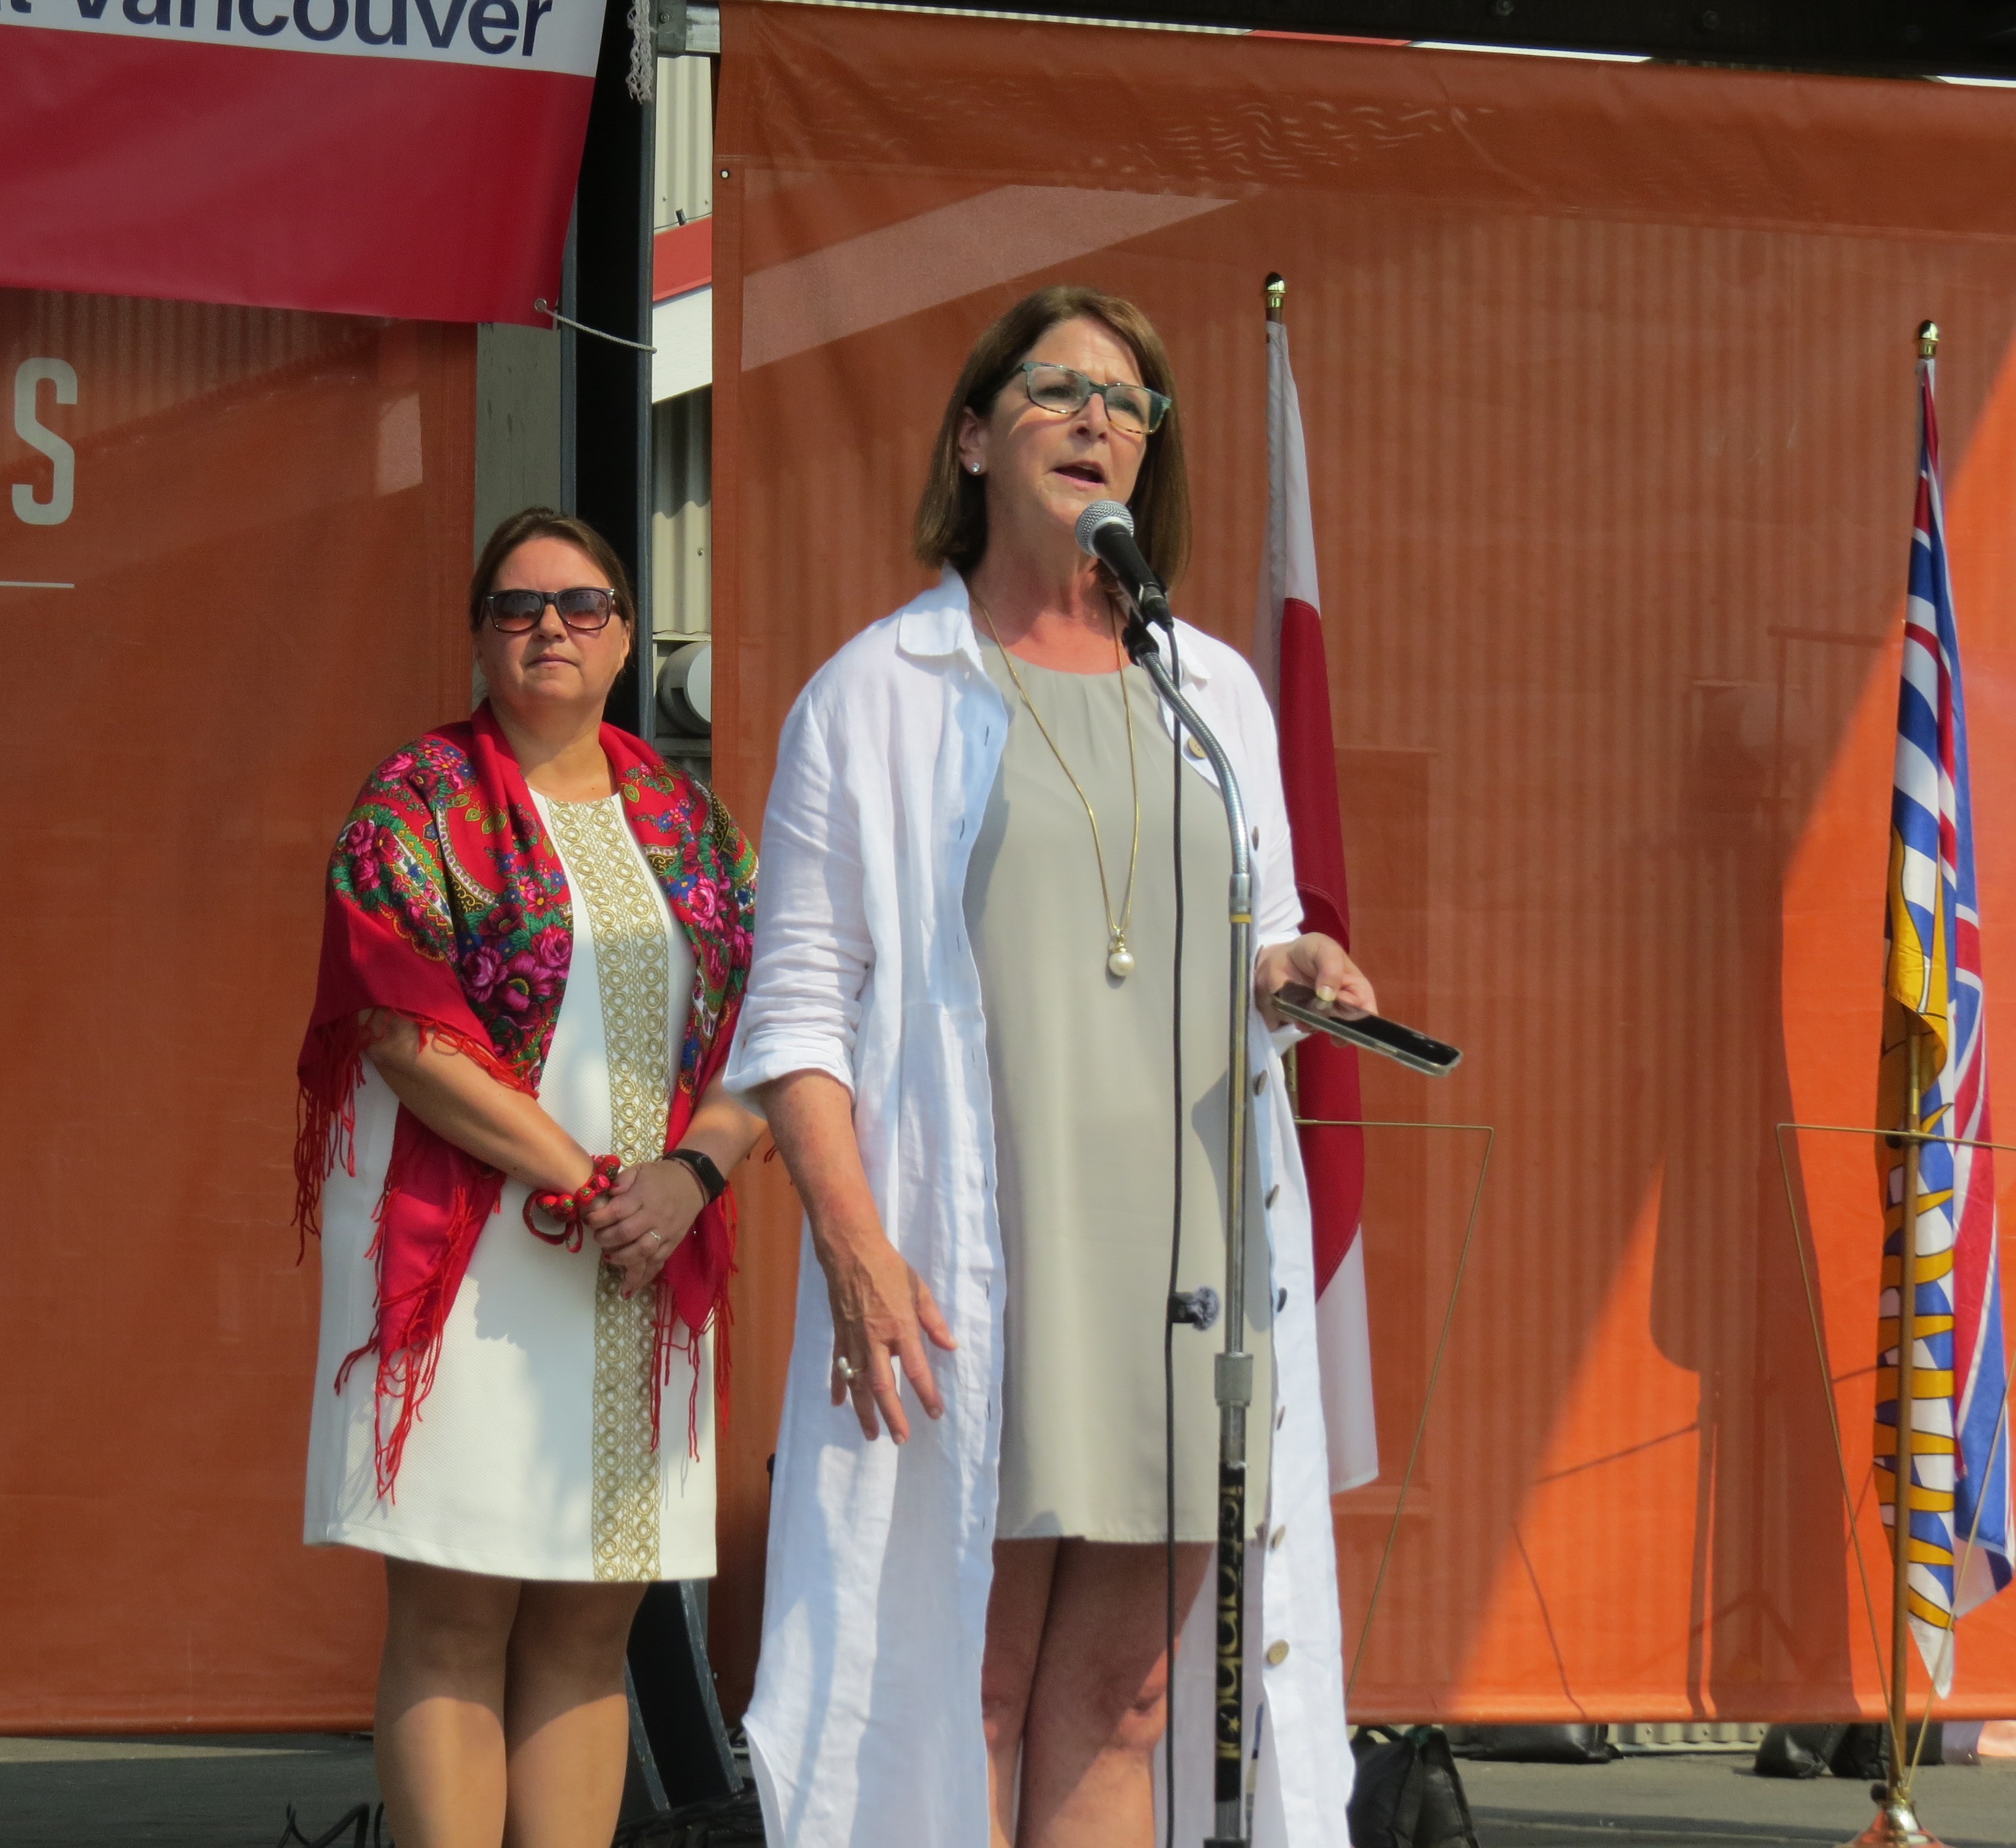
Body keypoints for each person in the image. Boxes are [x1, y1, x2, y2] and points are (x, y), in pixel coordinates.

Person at [725, 285, 1375, 1847]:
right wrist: (855, 1245)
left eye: (1129, 402)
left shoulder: (1211, 692)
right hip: (979, 1255)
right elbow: (796, 1011)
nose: (1097, 419)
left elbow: (1259, 922)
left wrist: (1291, 970)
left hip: (1182, 1261)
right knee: (975, 1685)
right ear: (971, 437)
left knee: (1129, 1697)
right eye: (1055, 390)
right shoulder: (875, 692)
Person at [294, 509, 763, 1848]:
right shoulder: (417, 799)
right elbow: (397, 1025)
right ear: (479, 637)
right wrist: (587, 1181)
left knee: (588, 1622)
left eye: (581, 604)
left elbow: (769, 1036)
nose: (550, 626)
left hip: (643, 1255)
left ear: (624, 637)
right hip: (474, 1256)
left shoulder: (691, 821)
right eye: (517, 605)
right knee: (453, 1616)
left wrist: (687, 1180)